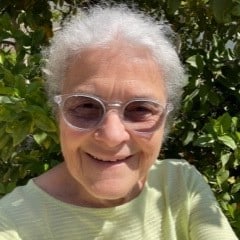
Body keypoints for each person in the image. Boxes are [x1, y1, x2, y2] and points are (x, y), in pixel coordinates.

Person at [0, 5, 238, 240]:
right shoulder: (11, 222)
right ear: (58, 112)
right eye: (86, 106)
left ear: (166, 119)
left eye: (140, 109)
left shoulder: (180, 185)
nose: (112, 136)